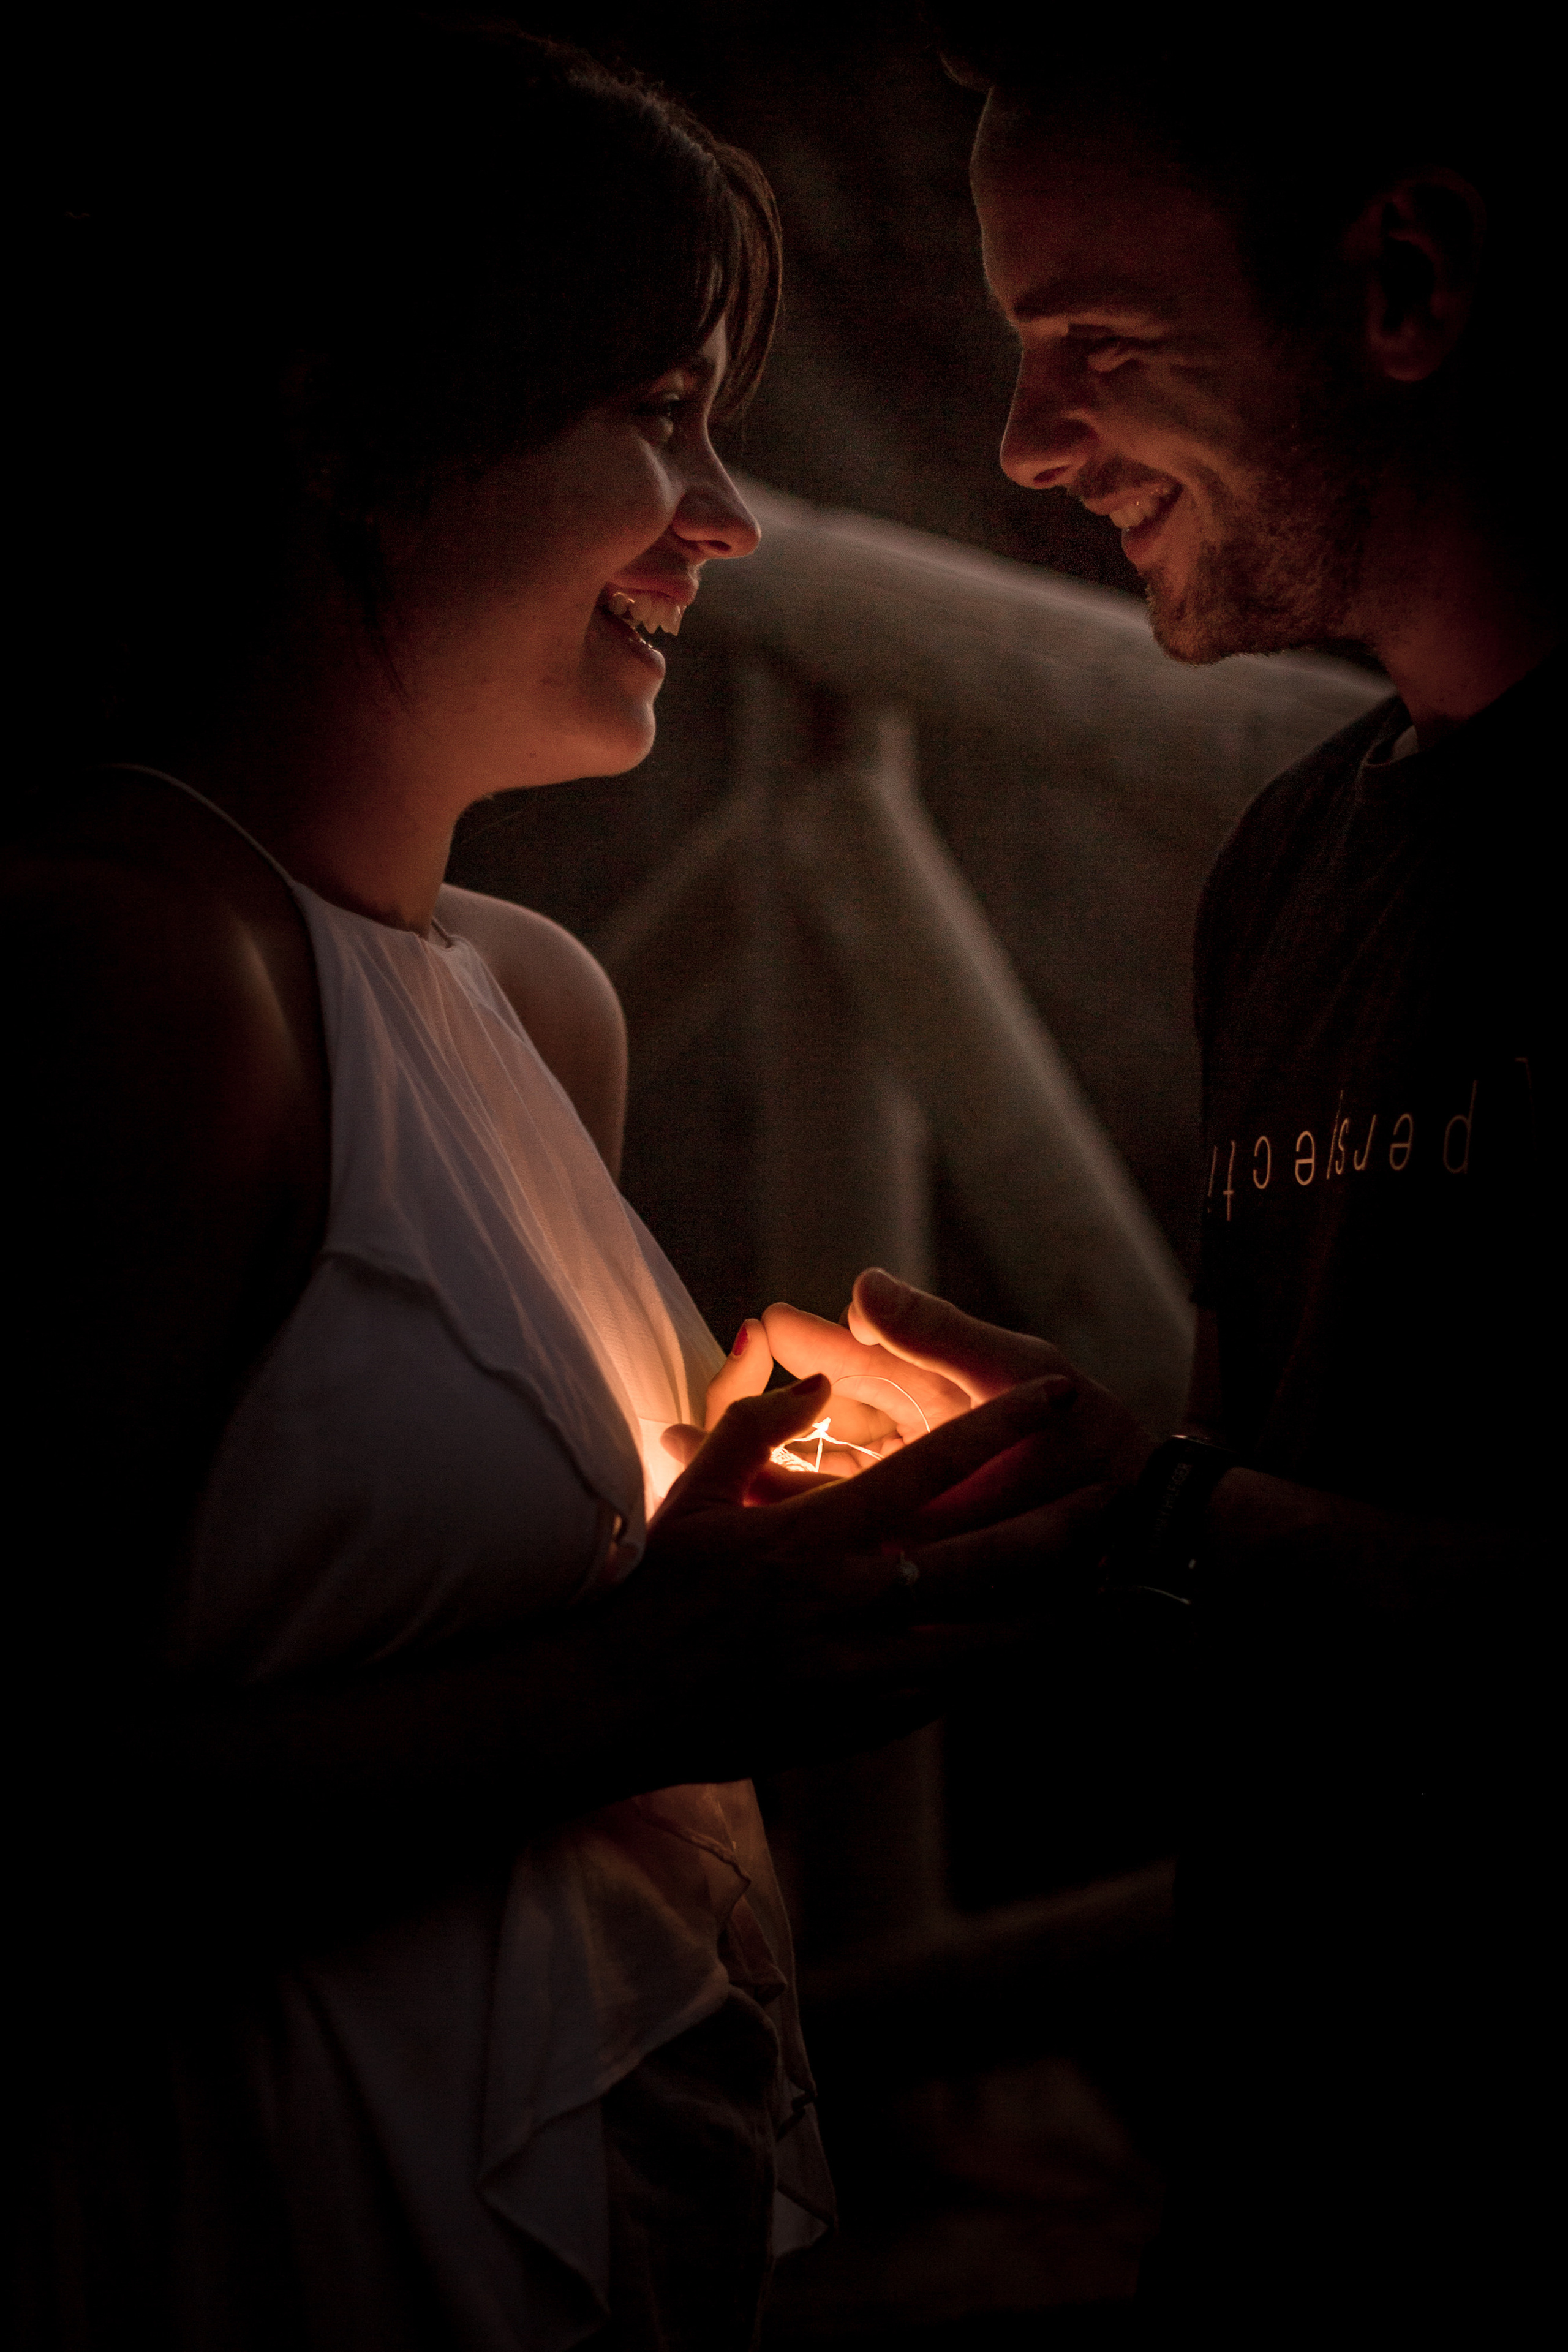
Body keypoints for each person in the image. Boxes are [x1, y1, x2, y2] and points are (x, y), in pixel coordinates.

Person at [11, 21, 1102, 2347]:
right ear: (344, 422)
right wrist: (656, 1679)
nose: (728, 510)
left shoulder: (532, 999)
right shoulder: (132, 973)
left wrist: (804, 1570)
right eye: (656, 406)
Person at [763, 9, 1559, 2331]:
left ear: (1406, 285)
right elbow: (1270, 1529)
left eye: (1093, 344)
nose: (1024, 447)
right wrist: (1015, 1516)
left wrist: (1148, 1513)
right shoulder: (1296, 861)